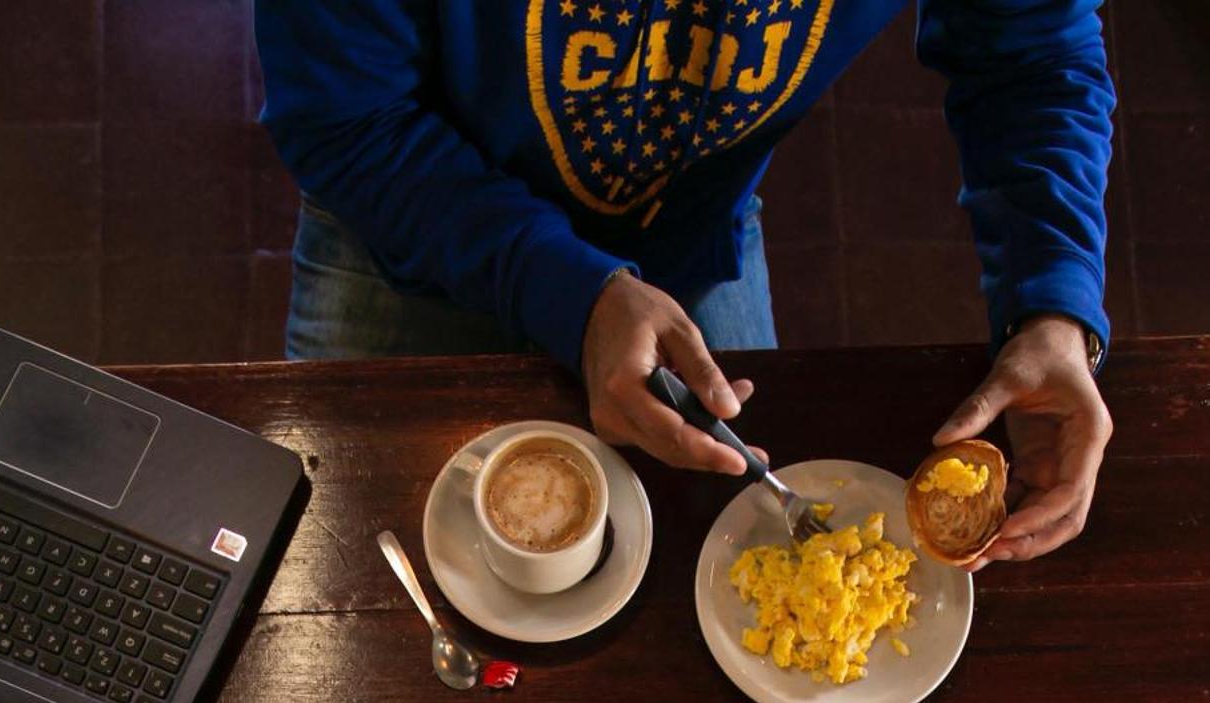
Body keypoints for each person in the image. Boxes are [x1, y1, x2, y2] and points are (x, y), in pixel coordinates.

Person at [254, 0, 1115, 566]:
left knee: (738, 561)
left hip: (687, 221)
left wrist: (1052, 301)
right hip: (405, 203)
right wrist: (567, 289)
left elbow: (1033, 60)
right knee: (325, 557)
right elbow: (345, 121)